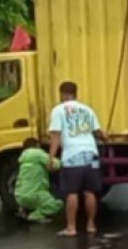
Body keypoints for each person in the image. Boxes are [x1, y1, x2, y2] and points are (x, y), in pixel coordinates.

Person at [49, 81, 107, 236]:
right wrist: (105, 137)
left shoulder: (58, 110)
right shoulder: (88, 109)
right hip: (91, 153)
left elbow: (55, 135)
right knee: (90, 191)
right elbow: (99, 132)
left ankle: (71, 227)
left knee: (72, 192)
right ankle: (91, 225)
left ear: (62, 94)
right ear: (76, 93)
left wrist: (51, 157)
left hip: (72, 154)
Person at [15, 138, 63, 222]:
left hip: (19, 196)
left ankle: (24, 209)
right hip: (34, 194)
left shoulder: (23, 158)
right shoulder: (37, 153)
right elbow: (54, 164)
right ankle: (35, 216)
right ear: (37, 145)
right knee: (57, 204)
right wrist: (63, 162)